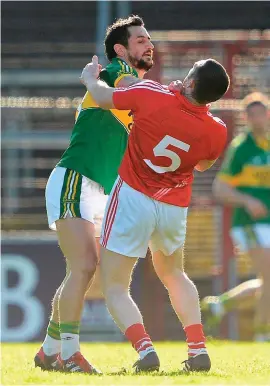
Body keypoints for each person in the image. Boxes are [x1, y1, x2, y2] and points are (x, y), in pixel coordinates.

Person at [80, 55, 230, 372]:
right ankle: (198, 349)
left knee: (115, 285)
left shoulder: (151, 92)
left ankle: (146, 350)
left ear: (189, 82)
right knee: (175, 275)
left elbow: (104, 98)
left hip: (134, 195)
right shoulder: (217, 129)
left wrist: (91, 79)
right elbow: (203, 164)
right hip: (173, 205)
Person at [34, 15, 155, 373]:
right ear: (121, 49)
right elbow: (141, 94)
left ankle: (49, 351)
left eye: (150, 39)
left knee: (83, 271)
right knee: (84, 267)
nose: (149, 45)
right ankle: (70, 354)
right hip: (76, 178)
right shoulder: (116, 72)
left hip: (96, 189)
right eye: (140, 40)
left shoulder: (136, 93)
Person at [206, 92, 270, 341]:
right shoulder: (241, 147)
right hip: (249, 223)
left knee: (266, 281)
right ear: (245, 118)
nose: (256, 119)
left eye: (260, 113)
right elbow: (219, 189)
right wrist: (247, 200)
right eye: (250, 115)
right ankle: (263, 336)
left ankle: (220, 304)